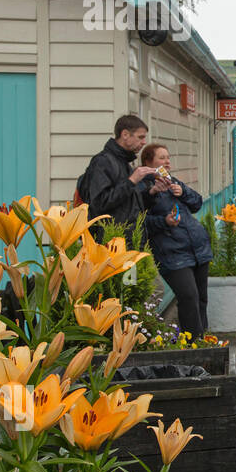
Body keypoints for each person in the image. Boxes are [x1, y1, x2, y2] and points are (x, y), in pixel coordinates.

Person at [141, 144, 213, 335]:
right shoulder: (144, 188)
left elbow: (197, 203)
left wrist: (183, 191)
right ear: (148, 162)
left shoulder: (172, 181)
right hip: (172, 252)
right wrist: (164, 221)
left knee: (201, 298)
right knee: (188, 296)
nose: (167, 162)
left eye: (168, 158)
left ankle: (202, 339)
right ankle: (193, 344)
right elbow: (140, 221)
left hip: (196, 248)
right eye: (162, 158)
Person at [81, 114, 169, 242]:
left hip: (130, 238)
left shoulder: (124, 162)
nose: (144, 142)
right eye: (140, 137)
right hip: (112, 242)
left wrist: (151, 192)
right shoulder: (103, 162)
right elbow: (100, 203)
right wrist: (131, 181)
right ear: (125, 134)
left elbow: (129, 204)